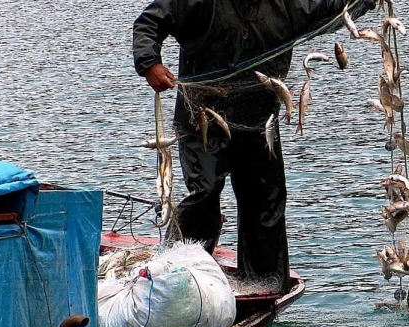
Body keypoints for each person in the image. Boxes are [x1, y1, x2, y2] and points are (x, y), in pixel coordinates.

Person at [133, 0, 375, 293]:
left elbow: (333, 7)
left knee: (266, 199)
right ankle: (172, 277)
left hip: (259, 120)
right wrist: (150, 63)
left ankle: (264, 282)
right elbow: (149, 23)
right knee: (204, 193)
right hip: (202, 118)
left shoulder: (288, 5)